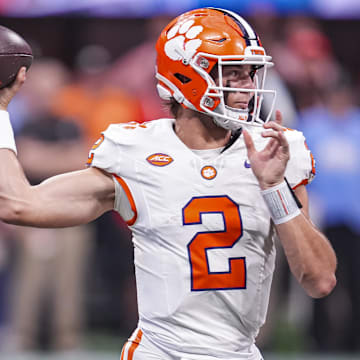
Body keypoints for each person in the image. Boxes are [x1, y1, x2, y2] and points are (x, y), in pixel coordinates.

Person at [0, 7, 337, 360]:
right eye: (231, 74)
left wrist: (274, 188)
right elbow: (18, 204)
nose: (248, 88)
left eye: (250, 74)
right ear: (187, 77)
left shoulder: (274, 151)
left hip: (239, 353)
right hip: (160, 352)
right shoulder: (136, 152)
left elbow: (320, 280)